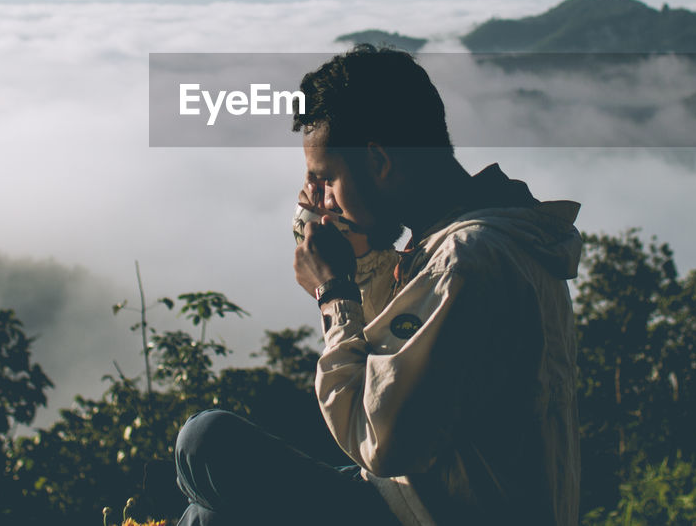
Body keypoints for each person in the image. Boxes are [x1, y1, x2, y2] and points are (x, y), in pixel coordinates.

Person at [174, 45, 582, 526]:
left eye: (327, 179)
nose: (322, 198)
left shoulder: (466, 261)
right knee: (208, 517)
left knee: (205, 441)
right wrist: (362, 258)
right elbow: (397, 366)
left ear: (380, 160)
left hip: (429, 511)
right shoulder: (486, 241)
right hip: (424, 498)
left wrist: (334, 295)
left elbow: (378, 438)